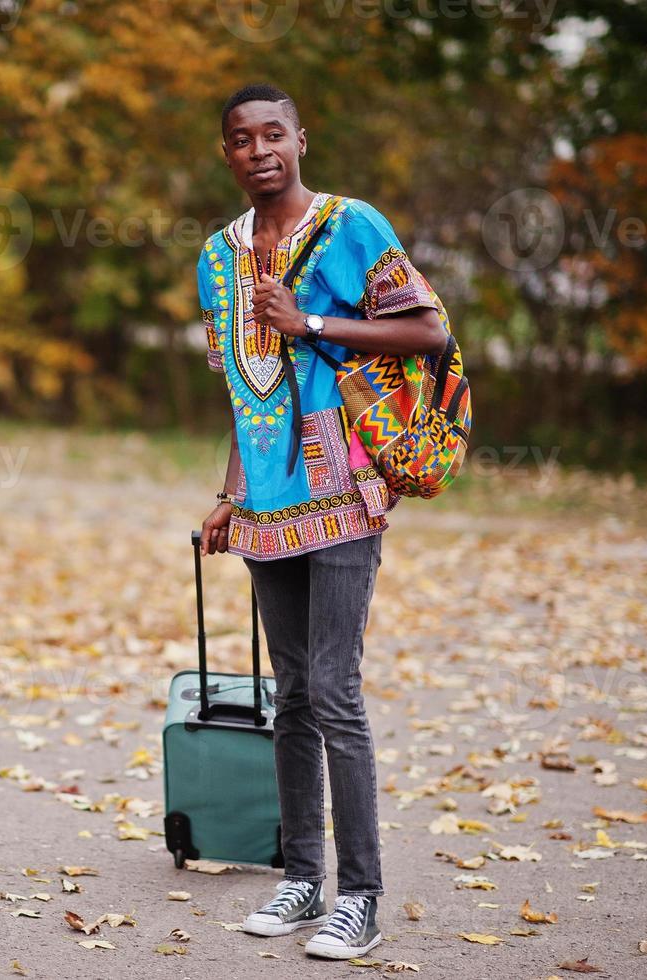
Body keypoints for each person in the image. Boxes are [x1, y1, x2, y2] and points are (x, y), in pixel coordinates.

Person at [196, 83, 448, 960]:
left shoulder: (353, 225)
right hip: (266, 505)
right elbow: (239, 387)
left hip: (343, 490)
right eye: (240, 138)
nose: (259, 148)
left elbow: (427, 331)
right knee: (293, 695)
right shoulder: (216, 257)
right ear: (224, 153)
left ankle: (362, 897)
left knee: (335, 693)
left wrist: (305, 320)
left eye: (273, 133)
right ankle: (301, 882)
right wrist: (230, 495)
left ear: (300, 138)